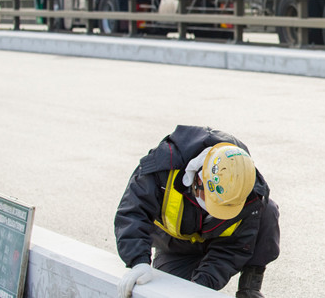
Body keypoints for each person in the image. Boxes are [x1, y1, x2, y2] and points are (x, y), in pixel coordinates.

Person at [114, 125, 280, 298]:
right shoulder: (162, 167)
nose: (215, 213)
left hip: (217, 240)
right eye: (213, 203)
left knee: (267, 211)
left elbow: (231, 249)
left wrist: (201, 285)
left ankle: (249, 289)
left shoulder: (247, 189)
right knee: (170, 293)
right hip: (176, 247)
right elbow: (133, 212)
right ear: (199, 179)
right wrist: (138, 261)